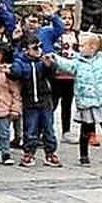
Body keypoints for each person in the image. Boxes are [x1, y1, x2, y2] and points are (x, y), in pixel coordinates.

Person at [45, 27, 102, 167]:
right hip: (87, 102)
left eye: (82, 45)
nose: (80, 48)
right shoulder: (77, 62)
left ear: (93, 47)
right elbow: (67, 65)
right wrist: (54, 58)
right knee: (86, 130)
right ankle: (84, 155)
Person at [10, 35, 62, 168]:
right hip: (29, 101)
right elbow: (16, 73)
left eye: (40, 47)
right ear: (25, 50)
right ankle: (29, 152)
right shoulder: (21, 62)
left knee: (48, 128)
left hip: (45, 100)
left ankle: (50, 152)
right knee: (30, 128)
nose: (38, 50)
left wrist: (50, 64)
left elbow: (53, 72)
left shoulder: (42, 62)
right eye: (35, 47)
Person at [53, 8, 80, 144]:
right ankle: (45, 130)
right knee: (52, 104)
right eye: (64, 18)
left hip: (71, 76)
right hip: (56, 76)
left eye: (69, 18)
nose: (67, 21)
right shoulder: (54, 33)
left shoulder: (77, 35)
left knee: (67, 105)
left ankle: (66, 131)